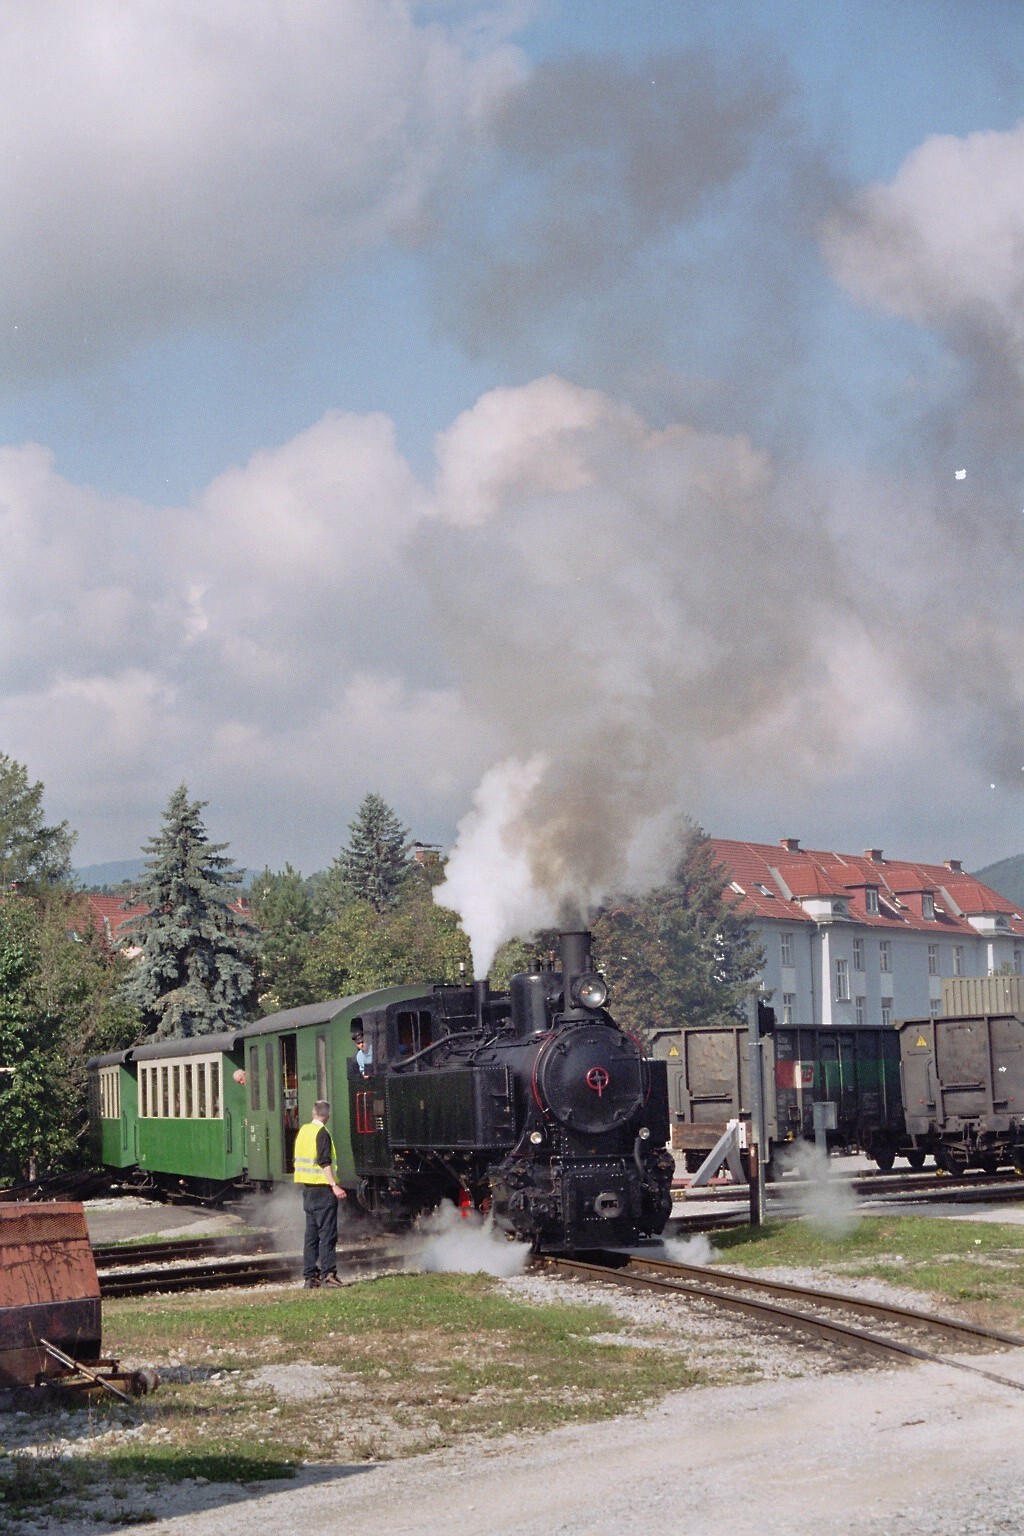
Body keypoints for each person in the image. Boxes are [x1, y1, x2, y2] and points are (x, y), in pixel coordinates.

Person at [293, 1099, 346, 1288]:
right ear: (327, 1115)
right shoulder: (322, 1133)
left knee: (311, 1236)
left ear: (313, 1113)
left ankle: (310, 1277)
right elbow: (324, 1161)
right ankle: (328, 1274)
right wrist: (334, 1185)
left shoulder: (303, 1131)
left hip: (307, 1191)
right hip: (323, 1190)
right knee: (328, 1234)